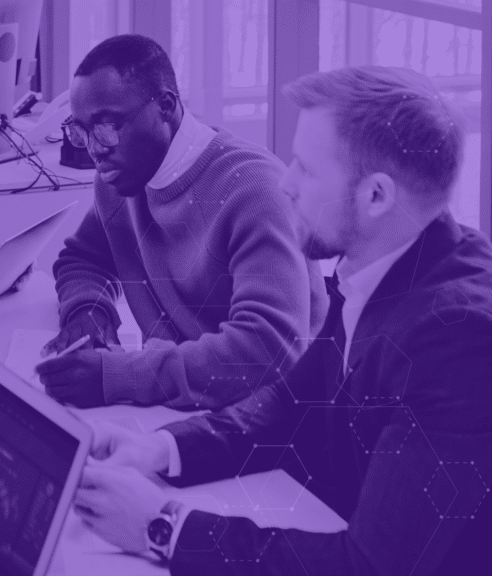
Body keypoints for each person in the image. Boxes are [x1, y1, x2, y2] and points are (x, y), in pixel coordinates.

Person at [73, 66, 492, 575]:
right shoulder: (378, 262)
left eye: (306, 168)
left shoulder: (459, 339)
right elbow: (290, 408)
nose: (285, 183)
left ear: (377, 196)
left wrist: (161, 525)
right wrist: (158, 449)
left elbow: (369, 568)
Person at [36, 34, 324, 410]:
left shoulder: (253, 190)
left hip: (264, 423)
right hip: (178, 407)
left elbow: (268, 349)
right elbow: (84, 259)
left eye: (107, 127)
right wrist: (89, 311)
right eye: (81, 131)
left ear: (165, 106)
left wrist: (121, 375)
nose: (95, 150)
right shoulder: (119, 180)